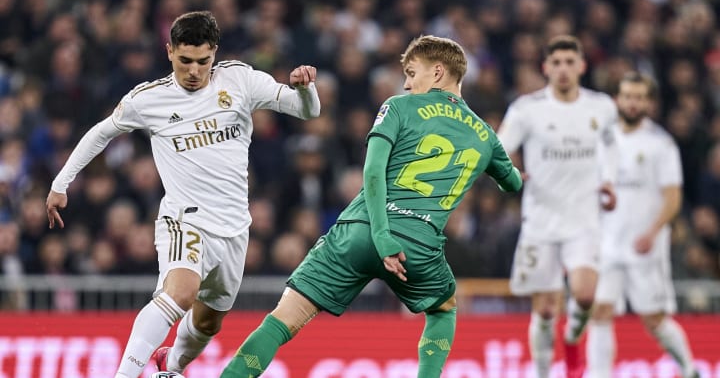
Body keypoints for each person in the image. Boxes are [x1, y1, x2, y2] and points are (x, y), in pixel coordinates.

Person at [220, 35, 523, 378]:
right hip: (418, 246)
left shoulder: (398, 106)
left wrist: (381, 234)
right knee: (443, 311)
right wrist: (507, 170)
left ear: (438, 72)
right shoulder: (485, 135)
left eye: (412, 72)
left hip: (361, 231)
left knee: (283, 319)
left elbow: (373, 169)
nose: (407, 83)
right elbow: (512, 183)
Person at [45, 11, 321, 378]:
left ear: (215, 54)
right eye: (185, 60)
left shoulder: (239, 80)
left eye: (203, 61)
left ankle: (169, 366)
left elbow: (307, 110)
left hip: (235, 227)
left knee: (208, 324)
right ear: (169, 51)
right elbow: (101, 133)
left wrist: (305, 87)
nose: (194, 70)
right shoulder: (150, 99)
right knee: (180, 292)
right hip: (184, 218)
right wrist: (60, 184)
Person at [497, 35, 618, 378]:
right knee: (546, 309)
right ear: (545, 68)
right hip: (541, 220)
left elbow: (611, 145)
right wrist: (512, 173)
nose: (563, 69)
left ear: (582, 66)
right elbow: (501, 147)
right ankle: (542, 372)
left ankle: (572, 339)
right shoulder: (527, 109)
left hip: (584, 217)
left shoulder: (602, 106)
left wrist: (608, 180)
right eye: (556, 63)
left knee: (584, 295)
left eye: (570, 62)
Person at [586, 72, 699, 378]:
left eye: (639, 97)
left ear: (648, 103)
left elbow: (673, 197)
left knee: (654, 319)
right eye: (627, 96)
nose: (632, 103)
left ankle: (689, 369)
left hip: (644, 246)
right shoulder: (602, 140)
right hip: (607, 244)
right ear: (617, 100)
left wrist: (653, 231)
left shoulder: (660, 144)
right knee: (600, 311)